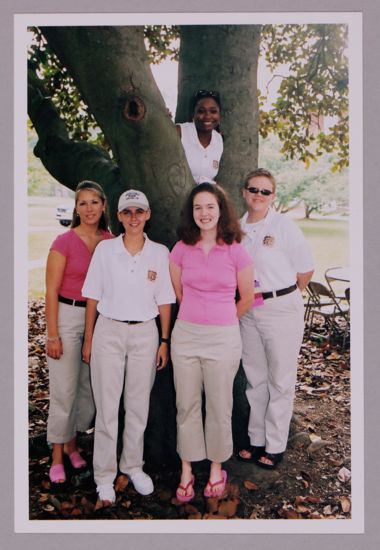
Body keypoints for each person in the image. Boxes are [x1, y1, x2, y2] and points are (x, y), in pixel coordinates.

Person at [81, 189, 176, 505]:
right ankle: (104, 476)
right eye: (127, 212)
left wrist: (164, 341)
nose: (134, 217)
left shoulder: (160, 253)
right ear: (119, 216)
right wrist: (89, 339)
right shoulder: (106, 250)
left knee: (138, 406)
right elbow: (93, 295)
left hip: (145, 335)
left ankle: (133, 466)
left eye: (139, 211)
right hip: (109, 331)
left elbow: (164, 299)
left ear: (148, 214)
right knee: (108, 408)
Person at [169, 182, 254, 502]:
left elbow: (247, 298)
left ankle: (217, 468)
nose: (204, 213)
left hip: (223, 338)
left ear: (221, 210)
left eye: (210, 207)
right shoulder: (180, 248)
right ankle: (187, 470)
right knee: (186, 405)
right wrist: (197, 314)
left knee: (219, 406)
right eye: (198, 207)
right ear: (192, 213)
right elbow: (179, 292)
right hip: (186, 336)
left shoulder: (236, 250)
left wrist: (221, 318)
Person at [238, 168, 314, 469]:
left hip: (281, 308)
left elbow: (305, 271)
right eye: (253, 190)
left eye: (265, 191)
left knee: (280, 380)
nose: (258, 195)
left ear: (273, 196)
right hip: (248, 310)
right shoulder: (237, 228)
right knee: (255, 378)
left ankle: (275, 444)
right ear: (244, 192)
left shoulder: (284, 226)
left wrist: (279, 296)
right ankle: (256, 439)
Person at [45, 180, 113, 486]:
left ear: (103, 206)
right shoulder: (64, 241)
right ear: (76, 208)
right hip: (68, 315)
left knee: (87, 391)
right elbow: (50, 291)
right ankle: (57, 456)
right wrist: (52, 334)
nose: (89, 209)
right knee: (64, 390)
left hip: (99, 319)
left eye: (94, 202)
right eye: (83, 203)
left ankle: (73, 445)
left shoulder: (110, 241)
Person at [176, 90, 223, 184]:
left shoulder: (218, 139)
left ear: (219, 115)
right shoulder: (180, 132)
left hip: (204, 196)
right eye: (201, 111)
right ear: (193, 114)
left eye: (213, 111)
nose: (207, 116)